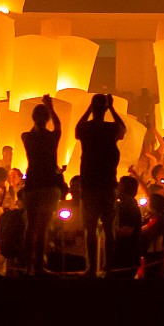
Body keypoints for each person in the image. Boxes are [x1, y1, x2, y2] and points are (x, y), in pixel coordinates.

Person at [73, 94, 125, 278]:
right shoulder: (111, 129)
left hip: (90, 182)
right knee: (109, 227)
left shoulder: (87, 128)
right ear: (104, 109)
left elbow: (76, 130)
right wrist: (112, 108)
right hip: (108, 182)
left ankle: (92, 268)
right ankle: (108, 267)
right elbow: (123, 129)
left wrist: (89, 109)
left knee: (90, 227)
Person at [18, 97, 66, 275]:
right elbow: (58, 126)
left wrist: (43, 113)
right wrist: (50, 108)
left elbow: (37, 129)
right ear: (47, 119)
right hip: (49, 184)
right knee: (43, 227)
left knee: (31, 226)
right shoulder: (52, 137)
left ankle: (27, 266)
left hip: (32, 183)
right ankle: (38, 266)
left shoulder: (27, 137)